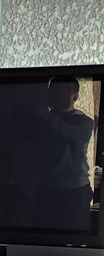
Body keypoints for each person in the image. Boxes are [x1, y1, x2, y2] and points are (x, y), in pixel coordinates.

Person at [37, 76, 95, 231]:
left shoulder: (84, 122)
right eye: (53, 92)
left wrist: (46, 117)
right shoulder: (44, 121)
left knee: (73, 236)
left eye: (62, 92)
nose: (56, 96)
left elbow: (73, 134)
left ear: (75, 97)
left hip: (74, 191)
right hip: (47, 188)